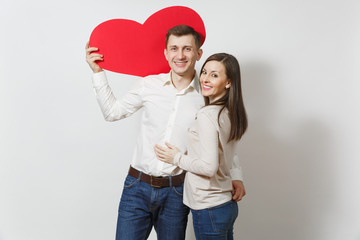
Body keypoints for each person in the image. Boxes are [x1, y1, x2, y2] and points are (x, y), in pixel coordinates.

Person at [85, 25, 246, 240]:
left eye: (187, 49)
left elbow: (219, 141)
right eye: (174, 48)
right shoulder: (148, 85)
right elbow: (112, 113)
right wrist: (98, 73)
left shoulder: (207, 93)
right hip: (136, 187)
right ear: (166, 53)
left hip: (176, 192)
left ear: (199, 54)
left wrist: (236, 175)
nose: (180, 55)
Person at [154, 53, 248, 240]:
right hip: (225, 205)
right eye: (204, 72)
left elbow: (208, 167)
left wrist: (176, 158)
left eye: (214, 75)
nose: (205, 78)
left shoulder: (207, 115)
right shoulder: (229, 113)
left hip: (209, 207)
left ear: (228, 82)